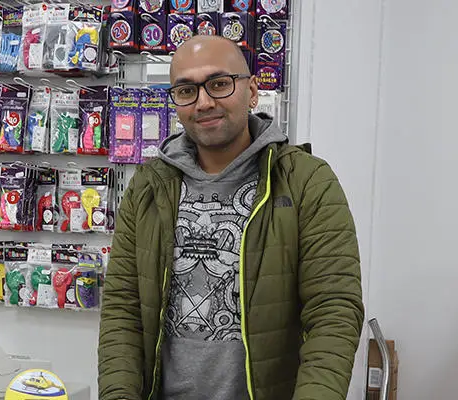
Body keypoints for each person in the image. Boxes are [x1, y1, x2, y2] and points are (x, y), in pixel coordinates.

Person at [98, 35, 364, 400]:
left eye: (219, 83)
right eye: (187, 90)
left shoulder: (306, 182)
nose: (204, 102)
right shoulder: (149, 186)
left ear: (252, 90)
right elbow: (122, 312)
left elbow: (333, 311)